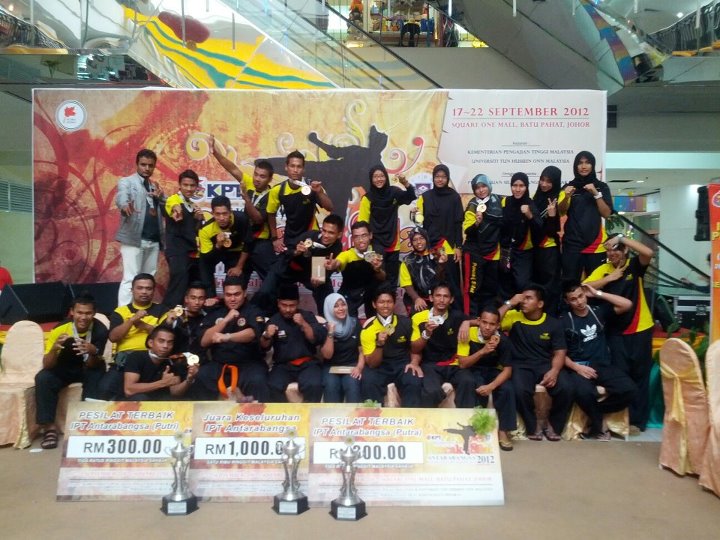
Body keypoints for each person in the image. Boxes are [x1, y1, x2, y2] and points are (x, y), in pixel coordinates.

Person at [583, 233, 655, 432]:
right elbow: (583, 288)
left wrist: (621, 239)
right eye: (609, 250)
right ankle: (618, 421)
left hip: (640, 328)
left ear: (625, 250)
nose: (612, 254)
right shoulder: (603, 269)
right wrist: (609, 279)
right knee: (621, 377)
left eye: (616, 249)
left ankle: (637, 422)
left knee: (640, 375)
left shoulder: (634, 265)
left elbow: (648, 252)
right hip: (615, 332)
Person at [561, 281, 637, 440]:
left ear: (585, 294)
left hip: (602, 365)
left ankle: (597, 412)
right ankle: (600, 426)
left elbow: (627, 304)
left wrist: (597, 293)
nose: (579, 301)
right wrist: (577, 368)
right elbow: (558, 353)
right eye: (573, 299)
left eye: (581, 296)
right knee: (584, 392)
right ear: (567, 301)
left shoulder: (598, 311)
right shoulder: (564, 320)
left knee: (629, 389)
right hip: (579, 367)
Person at [35, 294, 108, 449]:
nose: (83, 317)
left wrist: (92, 352)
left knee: (97, 375)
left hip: (88, 366)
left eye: (88, 313)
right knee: (43, 377)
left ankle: (90, 426)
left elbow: (93, 364)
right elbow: (47, 365)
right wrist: (54, 349)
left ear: (94, 313)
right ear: (72, 312)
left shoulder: (100, 330)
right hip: (64, 366)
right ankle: (49, 429)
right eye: (79, 312)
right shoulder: (59, 329)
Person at [500, 285, 573, 441]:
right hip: (521, 365)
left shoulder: (554, 324)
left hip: (545, 364)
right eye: (522, 298)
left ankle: (553, 425)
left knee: (566, 387)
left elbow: (560, 352)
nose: (523, 301)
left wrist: (554, 371)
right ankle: (533, 425)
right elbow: (491, 321)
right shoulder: (513, 316)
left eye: (528, 298)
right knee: (519, 390)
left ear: (540, 304)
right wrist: (510, 303)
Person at [210, 135, 277, 286]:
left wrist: (246, 199)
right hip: (243, 242)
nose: (257, 179)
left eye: (262, 176)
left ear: (270, 179)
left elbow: (258, 219)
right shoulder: (249, 183)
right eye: (256, 174)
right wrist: (215, 152)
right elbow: (232, 168)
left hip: (260, 243)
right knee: (234, 281)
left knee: (272, 281)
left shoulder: (272, 195)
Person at [252, 213, 343, 315]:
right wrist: (296, 251)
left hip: (310, 271)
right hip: (288, 267)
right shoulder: (309, 236)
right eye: (324, 230)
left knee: (326, 294)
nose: (325, 235)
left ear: (339, 235)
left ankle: (325, 321)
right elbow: (287, 252)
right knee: (265, 291)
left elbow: (327, 269)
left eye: (331, 233)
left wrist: (321, 277)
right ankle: (256, 317)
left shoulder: (337, 247)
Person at [197, 276, 268, 401]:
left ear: (245, 293)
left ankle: (255, 413)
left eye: (237, 294)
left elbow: (252, 333)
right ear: (223, 295)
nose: (232, 299)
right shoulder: (216, 312)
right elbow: (204, 341)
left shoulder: (253, 311)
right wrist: (225, 320)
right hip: (219, 364)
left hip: (248, 364)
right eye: (228, 295)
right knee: (202, 375)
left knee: (258, 379)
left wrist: (227, 337)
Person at [99, 273, 168, 400]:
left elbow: (165, 336)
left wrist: (143, 325)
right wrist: (131, 320)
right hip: (124, 360)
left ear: (154, 291)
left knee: (142, 397)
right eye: (140, 288)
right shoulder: (121, 311)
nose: (144, 292)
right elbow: (113, 337)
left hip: (150, 360)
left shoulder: (163, 310)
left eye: (148, 288)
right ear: (132, 290)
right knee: (105, 388)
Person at [456, 307, 515, 451]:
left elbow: (507, 371)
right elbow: (463, 364)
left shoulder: (503, 341)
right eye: (484, 322)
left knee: (507, 388)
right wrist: (483, 351)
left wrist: (491, 386)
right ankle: (471, 428)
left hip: (493, 370)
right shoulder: (467, 333)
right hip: (472, 368)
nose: (487, 327)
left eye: (492, 324)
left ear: (498, 326)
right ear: (478, 321)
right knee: (472, 383)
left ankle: (503, 432)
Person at [410, 283, 473, 407]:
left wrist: (467, 322)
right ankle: (430, 419)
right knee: (431, 391)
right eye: (438, 296)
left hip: (453, 364)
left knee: (468, 381)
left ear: (451, 299)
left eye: (446, 296)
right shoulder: (418, 318)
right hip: (430, 365)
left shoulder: (458, 316)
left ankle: (467, 418)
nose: (442, 299)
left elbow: (481, 321)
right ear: (431, 298)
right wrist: (426, 333)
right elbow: (414, 349)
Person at [115, 148, 165, 306]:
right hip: (134, 239)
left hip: (153, 240)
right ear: (137, 164)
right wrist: (124, 205)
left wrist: (161, 197)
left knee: (148, 279)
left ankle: (144, 311)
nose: (147, 168)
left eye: (151, 165)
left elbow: (166, 208)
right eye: (143, 165)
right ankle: (122, 314)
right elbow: (122, 196)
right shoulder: (127, 182)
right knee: (130, 278)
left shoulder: (154, 186)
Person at [262, 284, 327, 402]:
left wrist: (304, 324)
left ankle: (309, 414)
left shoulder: (308, 316)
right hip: (283, 366)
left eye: (292, 305)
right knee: (272, 385)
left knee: (314, 385)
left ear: (298, 303)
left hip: (308, 364)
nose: (288, 309)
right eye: (284, 305)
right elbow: (264, 346)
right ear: (278, 303)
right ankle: (284, 413)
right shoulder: (274, 320)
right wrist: (267, 335)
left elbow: (315, 339)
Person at [359, 287, 423, 407]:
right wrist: (379, 344)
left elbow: (416, 350)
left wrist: (414, 363)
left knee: (413, 380)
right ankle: (373, 416)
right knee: (369, 381)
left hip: (402, 364)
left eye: (389, 302)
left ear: (394, 304)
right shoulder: (368, 329)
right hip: (379, 366)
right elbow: (372, 363)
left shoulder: (407, 323)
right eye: (381, 302)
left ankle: (410, 417)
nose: (385, 306)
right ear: (374, 304)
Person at [357, 164, 416, 287]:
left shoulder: (394, 192)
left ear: (386, 177)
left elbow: (410, 197)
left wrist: (405, 183)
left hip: (393, 243)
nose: (379, 179)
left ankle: (391, 299)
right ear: (371, 179)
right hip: (374, 244)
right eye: (375, 177)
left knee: (392, 280)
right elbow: (362, 224)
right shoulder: (367, 198)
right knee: (375, 277)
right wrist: (365, 245)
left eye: (381, 176)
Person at [558, 151, 613, 282]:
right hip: (572, 244)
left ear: (592, 165)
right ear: (575, 166)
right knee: (569, 284)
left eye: (587, 163)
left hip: (596, 244)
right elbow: (561, 211)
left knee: (595, 284)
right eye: (580, 163)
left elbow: (606, 214)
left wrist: (596, 193)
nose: (584, 166)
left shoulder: (601, 187)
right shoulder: (568, 187)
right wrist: (566, 197)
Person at [266, 150, 333, 254]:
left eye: (299, 166)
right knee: (289, 263)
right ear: (286, 167)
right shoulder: (277, 190)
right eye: (292, 166)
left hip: (311, 234)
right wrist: (275, 239)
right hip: (291, 236)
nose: (295, 170)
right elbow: (270, 214)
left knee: (315, 263)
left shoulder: (312, 186)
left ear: (303, 169)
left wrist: (319, 192)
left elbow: (330, 207)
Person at [415, 164, 463, 305]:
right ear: (433, 178)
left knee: (452, 284)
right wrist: (415, 215)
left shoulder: (454, 197)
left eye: (443, 177)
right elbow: (419, 222)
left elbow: (458, 223)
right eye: (437, 176)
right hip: (431, 247)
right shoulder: (425, 197)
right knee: (433, 283)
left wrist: (458, 247)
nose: (440, 179)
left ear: (447, 178)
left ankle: (455, 313)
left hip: (449, 246)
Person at [325, 220, 386, 317]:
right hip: (350, 292)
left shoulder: (378, 251)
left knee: (384, 289)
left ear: (370, 235)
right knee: (347, 319)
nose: (360, 240)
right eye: (356, 237)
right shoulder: (347, 254)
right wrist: (333, 265)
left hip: (371, 291)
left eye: (364, 235)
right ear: (352, 239)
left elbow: (383, 277)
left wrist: (378, 269)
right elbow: (338, 261)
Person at [161, 169, 204, 308]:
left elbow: (194, 231)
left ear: (196, 187)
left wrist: (198, 219)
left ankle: (188, 316)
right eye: (185, 185)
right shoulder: (174, 199)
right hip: (177, 251)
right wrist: (176, 210)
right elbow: (173, 206)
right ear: (179, 185)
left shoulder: (192, 205)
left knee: (191, 286)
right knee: (178, 286)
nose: (189, 188)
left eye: (192, 185)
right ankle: (166, 315)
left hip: (191, 252)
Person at [461, 174, 503, 317]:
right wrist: (477, 223)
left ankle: (487, 320)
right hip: (474, 252)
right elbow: (467, 231)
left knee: (490, 289)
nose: (481, 190)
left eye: (483, 186)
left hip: (493, 252)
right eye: (477, 188)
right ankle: (470, 319)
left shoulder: (499, 200)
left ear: (489, 186)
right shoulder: (472, 205)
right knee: (473, 289)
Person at [197, 195, 252, 299]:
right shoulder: (205, 229)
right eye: (217, 214)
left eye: (225, 213)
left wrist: (239, 267)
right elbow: (207, 258)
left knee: (235, 278)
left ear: (230, 212)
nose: (221, 218)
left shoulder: (241, 219)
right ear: (212, 213)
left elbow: (248, 244)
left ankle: (237, 301)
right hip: (217, 251)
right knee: (203, 265)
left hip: (236, 252)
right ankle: (211, 299)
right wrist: (218, 245)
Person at [123, 325, 198, 401]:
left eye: (170, 342)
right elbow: (129, 390)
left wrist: (189, 379)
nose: (165, 346)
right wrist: (163, 383)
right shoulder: (136, 357)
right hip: (136, 404)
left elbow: (175, 393)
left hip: (160, 403)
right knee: (141, 397)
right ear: (150, 343)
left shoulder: (171, 362)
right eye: (161, 341)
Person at [500, 172, 541, 299]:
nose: (517, 189)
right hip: (506, 250)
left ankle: (522, 309)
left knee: (522, 284)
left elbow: (539, 227)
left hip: (523, 251)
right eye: (514, 185)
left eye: (521, 186)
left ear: (526, 187)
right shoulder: (505, 201)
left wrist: (529, 215)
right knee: (504, 283)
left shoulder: (530, 204)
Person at [531, 166, 564, 316]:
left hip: (549, 249)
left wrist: (551, 216)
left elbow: (552, 231)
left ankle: (550, 318)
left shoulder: (557, 200)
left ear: (555, 182)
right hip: (534, 249)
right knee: (536, 286)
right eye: (542, 180)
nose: (544, 184)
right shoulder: (536, 197)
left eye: (549, 181)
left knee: (550, 288)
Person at [320, 293, 363, 403]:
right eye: (336, 306)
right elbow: (327, 355)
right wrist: (330, 332)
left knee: (353, 385)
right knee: (331, 386)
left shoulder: (355, 323)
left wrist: (359, 367)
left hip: (352, 365)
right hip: (331, 367)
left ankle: (354, 415)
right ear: (329, 308)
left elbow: (362, 352)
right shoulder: (324, 327)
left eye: (343, 304)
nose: (341, 308)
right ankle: (333, 415)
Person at [399, 227, 448, 314]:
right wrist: (417, 299)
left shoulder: (436, 255)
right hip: (417, 299)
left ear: (426, 239)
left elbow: (441, 280)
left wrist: (442, 265)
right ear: (411, 243)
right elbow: (407, 285)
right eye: (415, 240)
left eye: (421, 238)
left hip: (436, 299)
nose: (419, 242)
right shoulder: (407, 261)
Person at [164, 282, 208, 365]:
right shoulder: (176, 316)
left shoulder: (208, 318)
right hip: (176, 362)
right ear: (186, 299)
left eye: (201, 298)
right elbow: (162, 337)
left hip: (201, 363)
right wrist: (168, 323)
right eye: (193, 298)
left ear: (205, 300)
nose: (197, 302)